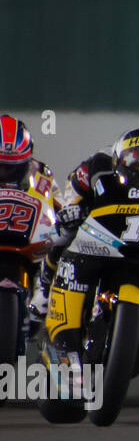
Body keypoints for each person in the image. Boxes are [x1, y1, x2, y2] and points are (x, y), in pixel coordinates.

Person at [40, 130, 139, 360]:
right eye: (138, 162)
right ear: (122, 159)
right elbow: (75, 190)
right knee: (64, 233)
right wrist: (74, 208)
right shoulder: (100, 164)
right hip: (101, 229)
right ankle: (44, 290)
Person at [1, 116, 60, 329]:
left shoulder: (43, 175)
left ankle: (47, 306)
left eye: (12, 167)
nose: (5, 173)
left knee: (64, 251)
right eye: (1, 166)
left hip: (29, 239)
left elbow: (59, 204)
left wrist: (64, 216)